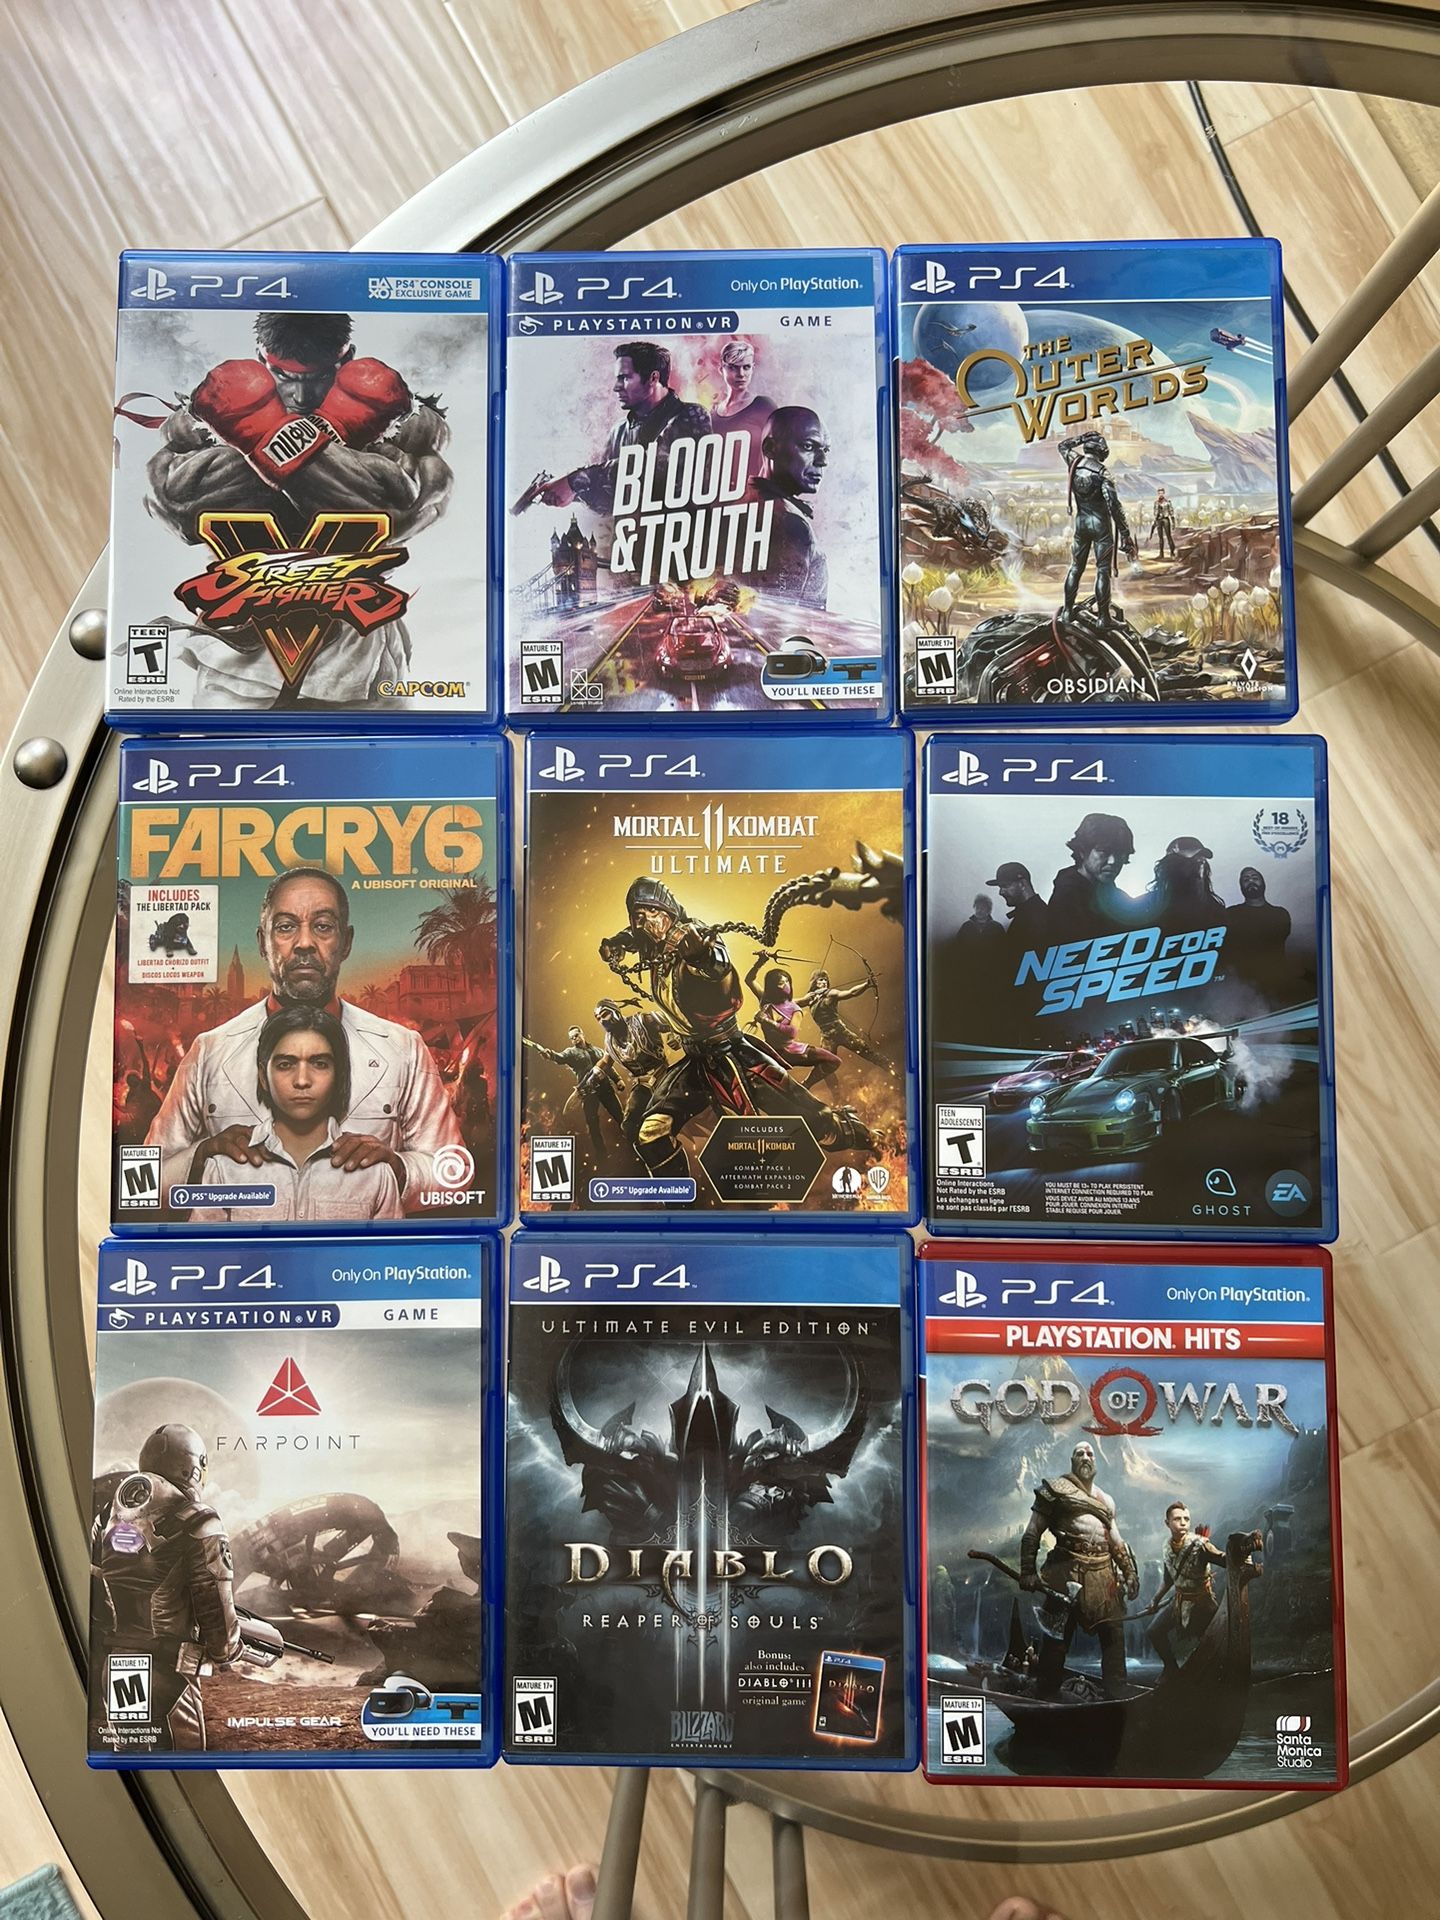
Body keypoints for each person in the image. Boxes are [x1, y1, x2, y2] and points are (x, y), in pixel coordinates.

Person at [147, 309, 450, 707]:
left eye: (319, 377)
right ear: (261, 360)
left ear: (348, 360)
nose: (302, 396)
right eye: (285, 376)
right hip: (238, 663)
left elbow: (410, 507)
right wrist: (268, 435)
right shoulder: (210, 416)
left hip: (359, 655)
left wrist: (285, 442)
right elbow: (175, 506)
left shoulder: (394, 418)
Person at [145, 867, 463, 1210]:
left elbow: (454, 1174)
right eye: (285, 927)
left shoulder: (403, 1048)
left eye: (323, 926)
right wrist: (201, 1157)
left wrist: (396, 1168)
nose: (305, 943)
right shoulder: (210, 1050)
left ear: (346, 942)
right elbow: (141, 1184)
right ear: (263, 943)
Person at [91, 1424, 243, 1754]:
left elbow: (97, 1591)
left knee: (135, 1762)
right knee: (180, 1769)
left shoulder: (107, 1518)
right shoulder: (199, 1520)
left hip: (119, 1664)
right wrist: (228, 1651)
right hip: (169, 1674)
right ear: (193, 1468)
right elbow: (215, 1609)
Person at [188, 1007, 402, 1222]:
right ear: (263, 1077)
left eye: (319, 1064)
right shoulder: (224, 1169)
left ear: (338, 1075)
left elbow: (392, 1244)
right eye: (285, 1065)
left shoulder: (376, 1174)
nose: (302, 1081)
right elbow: (205, 1244)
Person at [536, 340, 710, 517]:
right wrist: (574, 494)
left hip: (684, 531)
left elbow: (656, 468)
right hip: (635, 533)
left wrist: (575, 481)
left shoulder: (691, 415)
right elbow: (612, 500)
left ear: (653, 378)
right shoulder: (618, 431)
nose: (616, 387)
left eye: (625, 378)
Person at [1019, 1440, 1138, 1695]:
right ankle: (1046, 1694)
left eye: (1090, 1453)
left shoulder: (1106, 1500)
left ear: (1095, 1461)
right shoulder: (1055, 1490)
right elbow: (1032, 1532)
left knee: (1113, 1637)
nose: (1085, 1457)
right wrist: (1027, 1571)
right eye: (1079, 1453)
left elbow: (1116, 1541)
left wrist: (1129, 1572)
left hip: (1104, 1576)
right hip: (1066, 1571)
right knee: (1056, 1638)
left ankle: (1117, 1694)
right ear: (1072, 1460)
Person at [743, 406, 832, 608]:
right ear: (770, 448)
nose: (823, 461)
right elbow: (777, 617)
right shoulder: (790, 524)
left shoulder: (744, 501)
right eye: (808, 446)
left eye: (825, 450)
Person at [1059, 429, 1137, 628]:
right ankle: (1104, 618)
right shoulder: (1103, 473)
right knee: (1103, 570)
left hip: (1081, 523)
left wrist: (1081, 437)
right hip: (1101, 526)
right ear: (1102, 451)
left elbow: (1062, 446)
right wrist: (1125, 534)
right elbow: (1114, 505)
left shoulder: (1074, 462)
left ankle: (1067, 612)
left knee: (1076, 567)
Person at [1147, 1500, 1227, 1674]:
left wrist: (1238, 1555)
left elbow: (1223, 1559)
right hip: (1179, 1602)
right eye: (1177, 1519)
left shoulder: (1201, 1545)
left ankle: (1214, 1676)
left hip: (1203, 1603)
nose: (1183, 1523)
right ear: (1167, 1523)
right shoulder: (1166, 1547)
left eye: (1186, 1519)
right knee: (1154, 1631)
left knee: (1212, 1640)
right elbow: (1168, 1579)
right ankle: (1171, 1669)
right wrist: (1155, 1600)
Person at [523, 1024, 625, 1159]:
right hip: (587, 1092)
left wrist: (618, 1080)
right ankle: (602, 1155)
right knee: (592, 1124)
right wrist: (549, 1054)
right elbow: (560, 1057)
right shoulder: (571, 1052)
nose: (574, 1039)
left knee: (620, 1115)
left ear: (582, 1034)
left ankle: (632, 1141)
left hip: (605, 1088)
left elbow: (607, 1066)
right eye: (571, 1038)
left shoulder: (597, 1051)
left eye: (576, 1035)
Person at [744, 954, 842, 1086]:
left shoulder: (794, 1007)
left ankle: (806, 1085)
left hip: (791, 1051)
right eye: (781, 983)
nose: (786, 985)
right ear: (773, 987)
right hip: (771, 1052)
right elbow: (749, 980)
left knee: (833, 1061)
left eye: (787, 981)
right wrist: (760, 962)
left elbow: (792, 1032)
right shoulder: (765, 999)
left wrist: (766, 1021)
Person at [1047, 813, 1137, 945]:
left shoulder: (1115, 896)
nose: (1113, 861)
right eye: (1104, 851)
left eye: (1119, 853)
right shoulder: (1067, 898)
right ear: (1082, 851)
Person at [1223, 866, 1292, 999]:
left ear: (1263, 883)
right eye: (1245, 880)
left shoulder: (1280, 913)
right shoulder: (1230, 914)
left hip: (1277, 984)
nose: (1251, 881)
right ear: (1241, 887)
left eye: (1255, 878)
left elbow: (1274, 941)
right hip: (1242, 987)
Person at [710, 336, 775, 476]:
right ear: (721, 369)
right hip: (716, 488)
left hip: (753, 487)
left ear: (752, 368)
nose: (741, 374)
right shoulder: (713, 413)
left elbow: (778, 454)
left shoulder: (763, 407)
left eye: (746, 367)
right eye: (733, 367)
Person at [990, 861, 1050, 954]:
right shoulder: (1029, 914)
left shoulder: (1035, 917)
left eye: (1005, 886)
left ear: (1022, 884)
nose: (1001, 892)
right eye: (1000, 887)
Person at [1150, 486, 1177, 558]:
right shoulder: (1156, 503)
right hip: (1159, 520)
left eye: (1162, 493)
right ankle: (1161, 554)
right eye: (1159, 493)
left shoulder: (1168, 502)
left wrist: (1173, 522)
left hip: (1165, 520)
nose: (1160, 494)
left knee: (1168, 536)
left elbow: (1171, 512)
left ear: (1164, 493)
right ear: (1158, 494)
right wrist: (1155, 520)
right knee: (1160, 537)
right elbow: (1155, 512)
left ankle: (1172, 552)